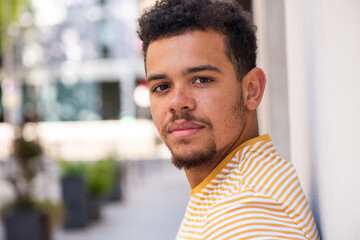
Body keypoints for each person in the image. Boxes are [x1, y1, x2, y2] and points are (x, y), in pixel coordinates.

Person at [137, 0, 320, 239]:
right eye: (162, 86)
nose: (177, 102)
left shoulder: (250, 213)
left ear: (252, 90)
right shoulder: (228, 192)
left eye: (201, 79)